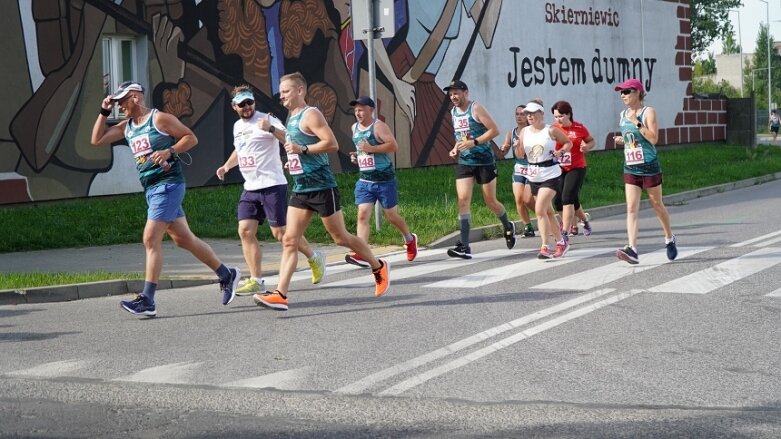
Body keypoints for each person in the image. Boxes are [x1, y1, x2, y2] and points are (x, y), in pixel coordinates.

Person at [90, 81, 239, 317]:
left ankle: (147, 300)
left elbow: (191, 138)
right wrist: (104, 111)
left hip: (168, 185)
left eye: (122, 102)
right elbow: (97, 139)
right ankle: (226, 274)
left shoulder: (159, 120)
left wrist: (170, 151)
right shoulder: (127, 127)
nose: (120, 107)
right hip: (151, 189)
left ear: (136, 98)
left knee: (150, 238)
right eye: (116, 103)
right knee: (183, 239)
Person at [253, 73, 390, 311]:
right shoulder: (292, 116)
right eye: (280, 91)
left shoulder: (311, 114)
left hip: (322, 187)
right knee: (289, 240)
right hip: (301, 188)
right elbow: (291, 140)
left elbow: (331, 143)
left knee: (340, 238)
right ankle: (280, 294)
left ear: (299, 91)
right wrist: (275, 133)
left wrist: (302, 149)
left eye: (285, 91)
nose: (281, 95)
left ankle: (378, 265)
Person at [216, 85, 326, 295]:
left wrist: (270, 128)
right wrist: (227, 166)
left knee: (282, 234)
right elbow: (240, 150)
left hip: (272, 185)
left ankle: (314, 257)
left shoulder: (267, 119)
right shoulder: (237, 127)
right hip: (251, 187)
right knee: (245, 231)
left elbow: (289, 138)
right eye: (242, 104)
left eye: (250, 102)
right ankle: (256, 279)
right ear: (234, 107)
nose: (247, 107)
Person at [444, 80, 516, 259]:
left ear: (465, 93)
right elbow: (461, 136)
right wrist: (456, 147)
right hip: (465, 161)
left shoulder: (475, 108)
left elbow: (494, 130)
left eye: (456, 93)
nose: (453, 96)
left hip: (484, 160)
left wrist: (474, 142)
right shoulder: (453, 112)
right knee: (463, 199)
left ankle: (508, 225)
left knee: (490, 201)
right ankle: (465, 246)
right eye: (451, 93)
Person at [344, 96, 418, 268]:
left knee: (391, 216)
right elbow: (362, 149)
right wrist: (358, 156)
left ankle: (409, 239)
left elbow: (393, 146)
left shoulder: (378, 126)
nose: (358, 113)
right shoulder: (354, 127)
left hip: (384, 180)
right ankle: (363, 253)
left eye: (361, 109)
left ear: (371, 109)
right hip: (365, 180)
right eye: (356, 110)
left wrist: (371, 149)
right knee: (362, 215)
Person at [612, 78, 677, 264]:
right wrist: (623, 140)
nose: (622, 95)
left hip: (649, 166)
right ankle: (632, 248)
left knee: (657, 204)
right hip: (631, 167)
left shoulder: (648, 112)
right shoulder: (623, 114)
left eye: (626, 92)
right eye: (621, 92)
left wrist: (637, 123)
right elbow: (633, 140)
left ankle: (669, 238)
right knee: (631, 208)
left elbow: (654, 139)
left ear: (638, 92)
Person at [514, 101, 572, 259]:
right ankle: (561, 242)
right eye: (527, 114)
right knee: (548, 212)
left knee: (539, 209)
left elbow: (568, 143)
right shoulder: (524, 132)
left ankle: (545, 247)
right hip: (534, 175)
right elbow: (520, 155)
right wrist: (517, 146)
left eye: (533, 113)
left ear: (541, 113)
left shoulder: (551, 130)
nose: (529, 116)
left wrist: (560, 152)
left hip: (551, 174)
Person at [551, 100, 595, 237]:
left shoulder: (579, 128)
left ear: (568, 114)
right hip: (559, 168)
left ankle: (565, 231)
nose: (558, 119)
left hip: (577, 167)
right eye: (556, 116)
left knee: (567, 197)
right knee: (559, 201)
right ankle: (584, 220)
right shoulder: (553, 129)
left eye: (560, 116)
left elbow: (591, 141)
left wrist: (587, 147)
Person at [499, 104, 535, 238]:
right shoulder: (512, 132)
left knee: (528, 199)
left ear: (528, 116)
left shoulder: (532, 131)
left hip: (532, 168)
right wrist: (503, 148)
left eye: (522, 114)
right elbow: (506, 145)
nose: (519, 117)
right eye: (517, 114)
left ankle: (544, 215)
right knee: (519, 199)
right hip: (519, 168)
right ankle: (528, 226)